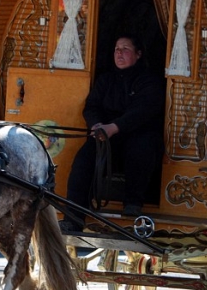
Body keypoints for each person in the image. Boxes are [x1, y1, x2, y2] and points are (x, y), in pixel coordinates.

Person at [65, 33, 165, 226]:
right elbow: (91, 106)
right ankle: (73, 217)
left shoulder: (149, 81)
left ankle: (133, 204)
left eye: (125, 49)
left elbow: (143, 111)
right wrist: (95, 125)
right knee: (83, 160)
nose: (119, 54)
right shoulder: (106, 80)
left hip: (136, 133)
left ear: (138, 54)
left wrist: (115, 127)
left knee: (141, 147)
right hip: (106, 135)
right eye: (117, 49)